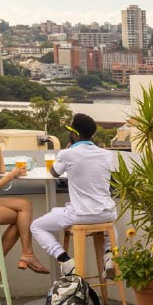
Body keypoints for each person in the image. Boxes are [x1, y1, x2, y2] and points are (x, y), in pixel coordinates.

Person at [31, 112, 118, 274]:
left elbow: (54, 173)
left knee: (36, 226)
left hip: (81, 214)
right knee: (109, 228)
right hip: (107, 212)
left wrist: (66, 151)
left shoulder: (68, 154)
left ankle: (65, 259)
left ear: (75, 134)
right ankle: (109, 255)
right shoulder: (107, 155)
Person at [0, 117, 48, 277]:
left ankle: (27, 254)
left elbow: (0, 169)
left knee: (25, 205)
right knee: (21, 219)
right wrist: (13, 174)